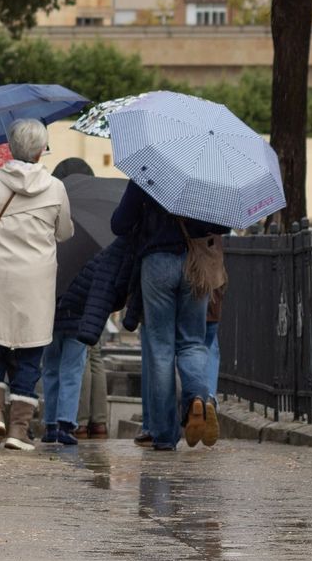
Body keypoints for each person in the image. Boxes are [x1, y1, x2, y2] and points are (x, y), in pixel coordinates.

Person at [0, 119, 73, 451]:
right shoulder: (55, 188)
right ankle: (19, 429)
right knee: (30, 351)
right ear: (41, 151)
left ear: (10, 148)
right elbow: (64, 232)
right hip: (36, 283)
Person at [111, 182, 227, 451]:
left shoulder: (149, 171)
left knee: (161, 348)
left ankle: (164, 434)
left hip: (157, 260)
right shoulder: (207, 174)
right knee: (193, 342)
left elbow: (119, 223)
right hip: (195, 262)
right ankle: (199, 396)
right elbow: (221, 226)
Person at [40, 156, 96, 446]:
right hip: (79, 315)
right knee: (73, 369)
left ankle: (49, 423)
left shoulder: (47, 222)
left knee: (49, 367)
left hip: (50, 310)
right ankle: (65, 423)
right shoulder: (91, 231)